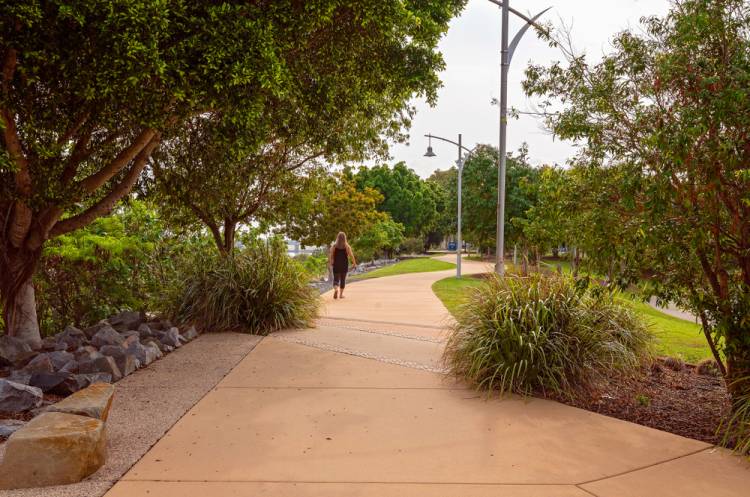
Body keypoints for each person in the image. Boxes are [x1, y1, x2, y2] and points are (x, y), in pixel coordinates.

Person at [329, 231, 356, 299]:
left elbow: (331, 255)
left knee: (336, 279)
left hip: (336, 264)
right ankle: (341, 295)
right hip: (344, 264)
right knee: (343, 280)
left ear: (337, 237)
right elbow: (351, 255)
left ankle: (336, 289)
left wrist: (330, 262)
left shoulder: (334, 246)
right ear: (345, 238)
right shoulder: (347, 246)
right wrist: (354, 263)